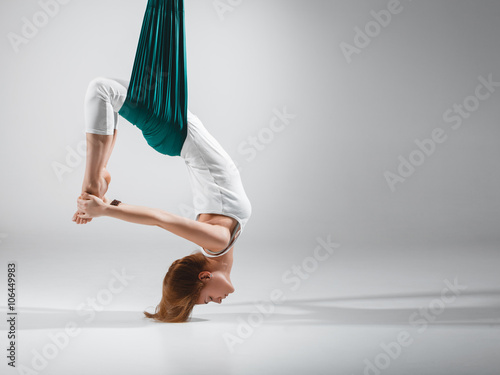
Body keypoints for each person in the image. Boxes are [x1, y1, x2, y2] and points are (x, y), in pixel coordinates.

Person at [72, 77, 252, 323]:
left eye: (208, 299)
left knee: (101, 89)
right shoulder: (218, 243)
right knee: (107, 92)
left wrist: (105, 211)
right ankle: (99, 176)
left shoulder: (217, 242)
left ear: (204, 278)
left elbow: (160, 219)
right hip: (178, 128)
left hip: (176, 131)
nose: (217, 302)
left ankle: (93, 181)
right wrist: (115, 206)